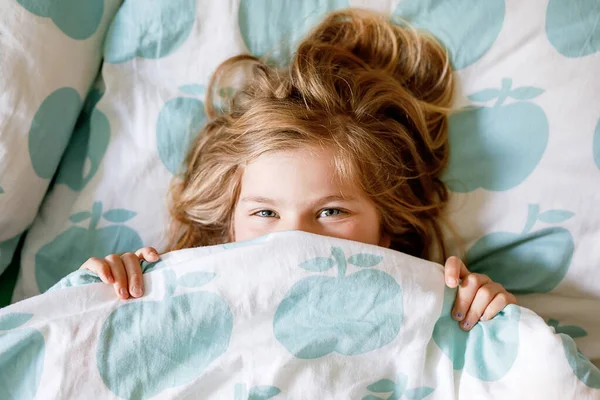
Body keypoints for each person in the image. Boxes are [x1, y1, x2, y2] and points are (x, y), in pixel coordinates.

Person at [79, 9, 516, 331]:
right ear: (230, 227)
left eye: (331, 212)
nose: (294, 238)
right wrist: (117, 288)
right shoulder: (177, 289)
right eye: (265, 213)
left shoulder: (425, 306)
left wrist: (488, 315)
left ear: (387, 231)